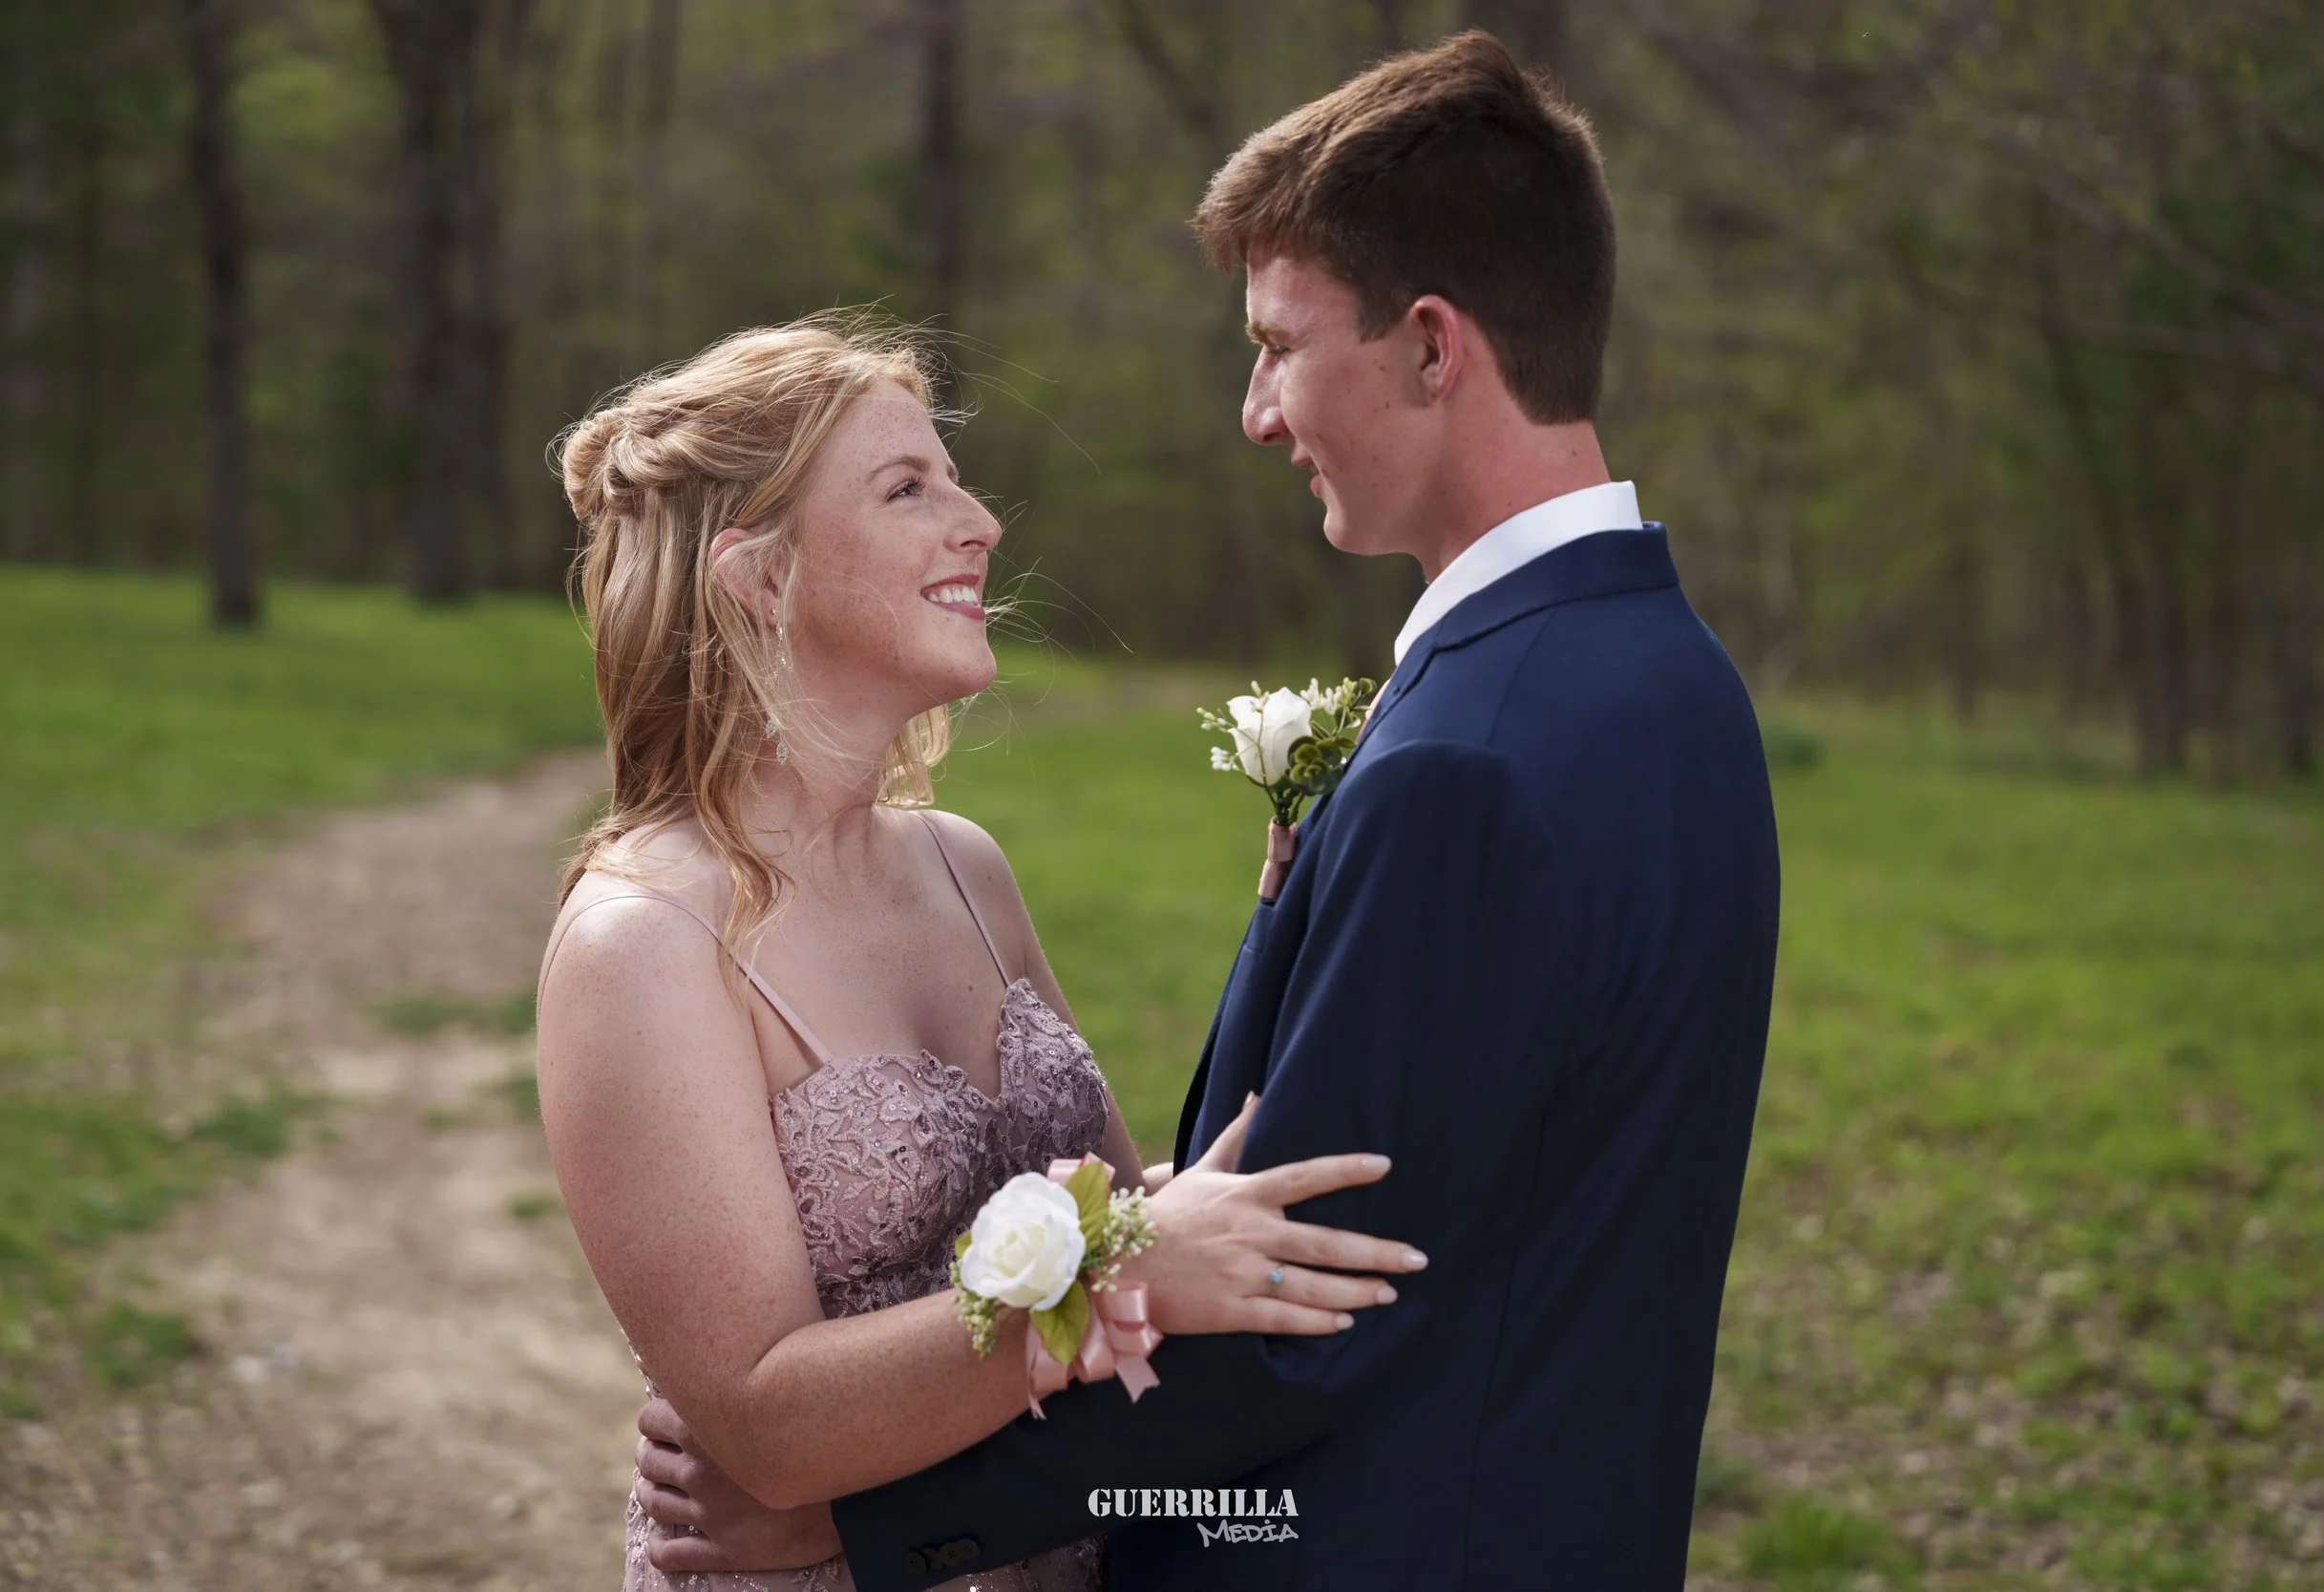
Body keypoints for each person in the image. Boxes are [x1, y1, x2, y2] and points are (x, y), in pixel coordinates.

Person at [631, 29, 1780, 1590]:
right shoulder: (1675, 682)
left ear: (1433, 350)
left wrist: (867, 1525)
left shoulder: (1465, 763)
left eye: (1279, 345)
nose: (1255, 412)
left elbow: (1301, 1333)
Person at [536, 316, 1428, 1592]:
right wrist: (1121, 1269)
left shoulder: (967, 864)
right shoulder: (647, 942)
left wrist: (1317, 928)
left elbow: (1141, 1232)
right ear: (759, 578)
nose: (982, 523)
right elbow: (767, 1427)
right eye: (910, 487)